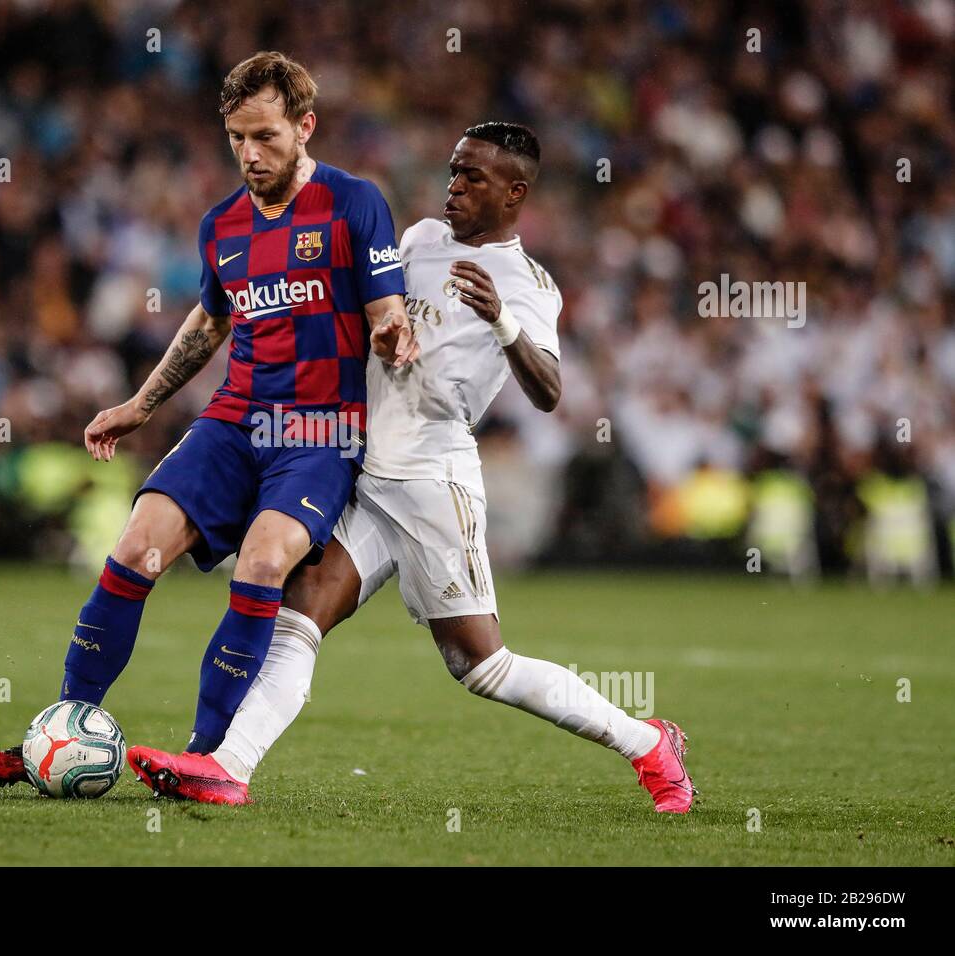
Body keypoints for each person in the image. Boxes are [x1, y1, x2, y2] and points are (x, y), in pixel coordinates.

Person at [125, 123, 696, 814]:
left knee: (481, 666)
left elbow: (549, 392)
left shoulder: (528, 284)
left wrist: (503, 323)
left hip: (432, 482)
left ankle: (647, 744)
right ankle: (227, 768)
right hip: (367, 473)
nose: (454, 187)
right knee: (297, 619)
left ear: (515, 193)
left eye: (473, 178)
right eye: (454, 171)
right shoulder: (422, 237)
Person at [0, 51, 418, 786]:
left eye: (267, 136)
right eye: (237, 136)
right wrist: (140, 404)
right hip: (235, 420)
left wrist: (393, 330)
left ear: (306, 127)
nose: (249, 153)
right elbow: (211, 323)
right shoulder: (222, 227)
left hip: (317, 431)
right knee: (136, 548)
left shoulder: (353, 202)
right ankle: (60, 729)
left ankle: (204, 755)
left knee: (265, 560)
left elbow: (386, 306)